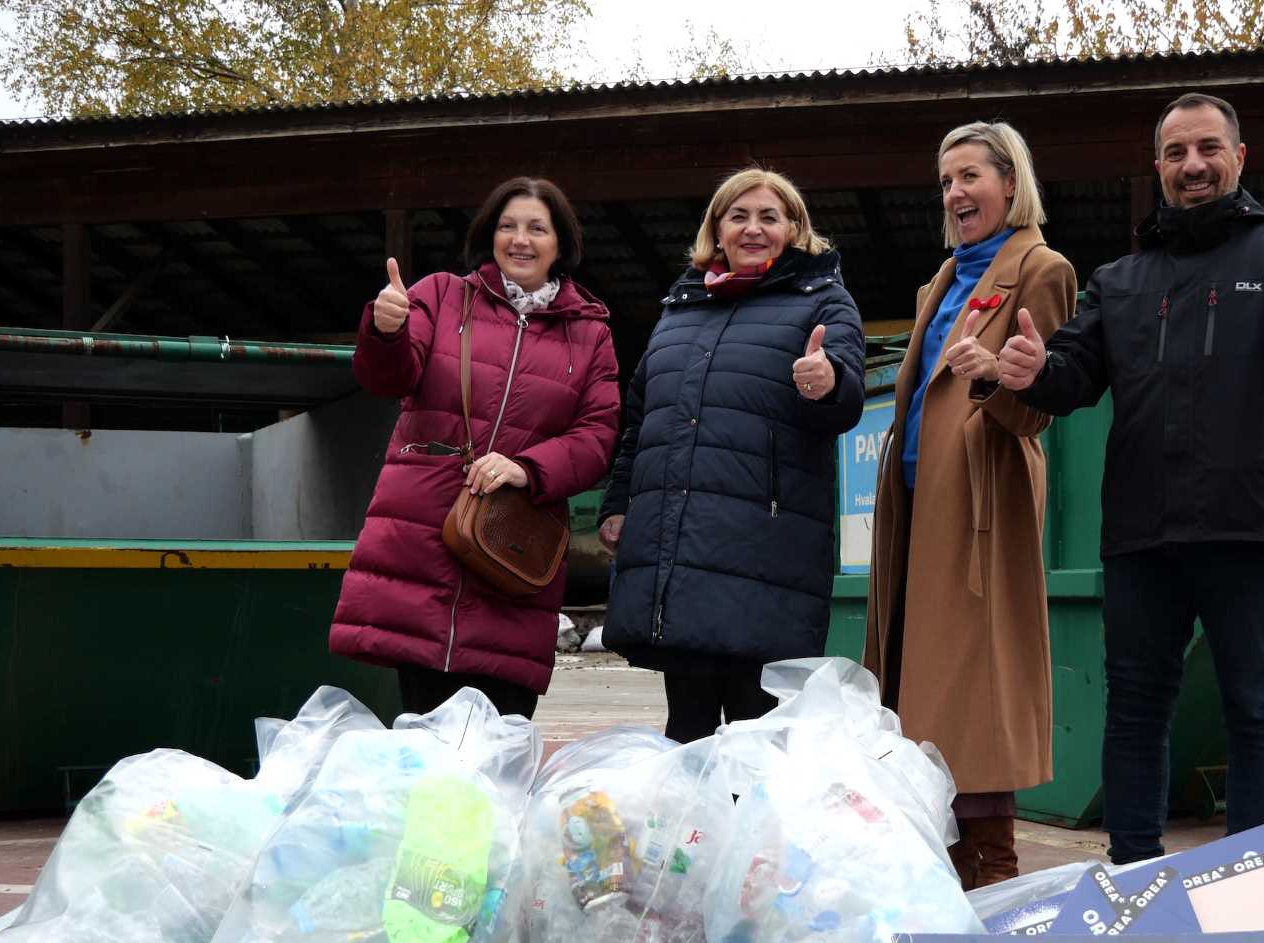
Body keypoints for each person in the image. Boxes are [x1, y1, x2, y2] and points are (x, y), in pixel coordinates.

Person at [996, 92, 1264, 865]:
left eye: (1207, 149)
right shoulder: (1122, 278)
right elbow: (1074, 376)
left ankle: (1252, 874)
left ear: (1240, 157)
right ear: (1158, 167)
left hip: (1248, 527)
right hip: (1141, 535)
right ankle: (1132, 872)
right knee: (1135, 710)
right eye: (1175, 154)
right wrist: (1034, 372)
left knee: (1258, 709)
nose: (1192, 166)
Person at [861, 122, 1076, 889]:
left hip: (983, 510)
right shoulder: (942, 282)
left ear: (1010, 186)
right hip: (920, 509)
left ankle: (992, 872)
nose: (956, 193)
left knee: (975, 689)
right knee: (922, 693)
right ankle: (947, 867)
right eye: (946, 180)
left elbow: (1039, 410)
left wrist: (1004, 376)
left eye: (971, 177)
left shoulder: (1041, 269)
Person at [331, 176, 620, 718]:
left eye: (538, 228)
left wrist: (527, 468)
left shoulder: (590, 333)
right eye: (507, 226)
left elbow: (598, 434)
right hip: (423, 538)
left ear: (561, 243)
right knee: (421, 730)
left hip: (513, 546)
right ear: (490, 235)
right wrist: (385, 329)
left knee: (501, 735)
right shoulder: (441, 296)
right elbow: (389, 377)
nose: (521, 239)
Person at [598, 167, 866, 742]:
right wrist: (618, 503)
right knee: (687, 730)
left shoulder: (823, 300)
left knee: (756, 737)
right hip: (682, 549)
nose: (752, 229)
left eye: (769, 217)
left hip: (764, 551)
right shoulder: (681, 305)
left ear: (795, 228)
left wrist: (828, 381)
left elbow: (844, 400)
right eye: (738, 216)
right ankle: (692, 836)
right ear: (716, 230)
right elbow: (642, 420)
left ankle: (750, 835)